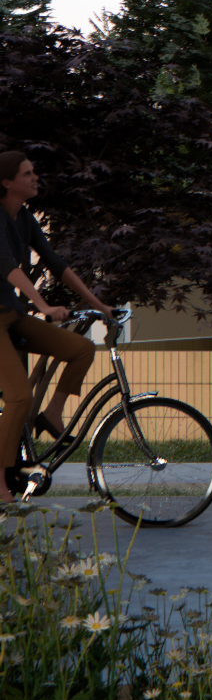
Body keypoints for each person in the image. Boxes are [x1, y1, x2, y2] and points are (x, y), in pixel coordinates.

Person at [0, 151, 111, 495]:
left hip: (12, 316)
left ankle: (52, 414)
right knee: (19, 399)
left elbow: (55, 261)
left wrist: (99, 304)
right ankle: (1, 484)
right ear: (7, 182)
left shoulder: (25, 218)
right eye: (28, 173)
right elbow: (8, 268)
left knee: (81, 349)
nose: (35, 177)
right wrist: (44, 306)